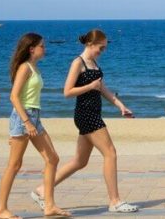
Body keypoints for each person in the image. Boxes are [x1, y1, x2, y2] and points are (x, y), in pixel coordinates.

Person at [32, 29, 138, 213]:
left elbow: (102, 89)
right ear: (90, 44)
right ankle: (115, 201)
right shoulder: (78, 63)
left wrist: (120, 106)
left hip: (92, 114)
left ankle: (42, 190)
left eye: (104, 48)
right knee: (110, 153)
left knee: (80, 161)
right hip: (86, 115)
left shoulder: (94, 63)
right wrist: (90, 86)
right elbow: (67, 92)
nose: (102, 51)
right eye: (100, 47)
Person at [0, 33, 71, 219]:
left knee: (52, 159)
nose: (44, 49)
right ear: (32, 49)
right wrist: (26, 122)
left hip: (34, 116)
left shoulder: (34, 68)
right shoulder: (25, 68)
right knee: (14, 165)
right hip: (25, 118)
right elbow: (13, 97)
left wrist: (32, 121)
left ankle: (49, 206)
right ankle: (1, 209)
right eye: (42, 46)